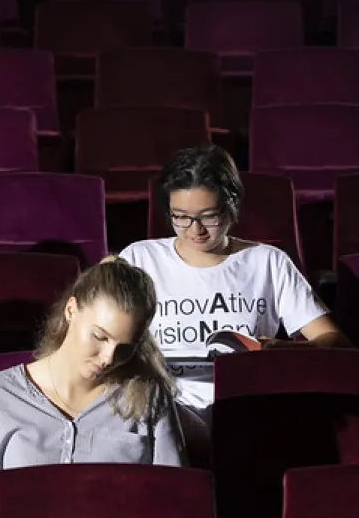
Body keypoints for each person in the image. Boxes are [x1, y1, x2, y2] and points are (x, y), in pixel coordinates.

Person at [0, 258, 186, 518]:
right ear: (71, 310)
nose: (108, 357)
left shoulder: (147, 397)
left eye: (125, 348)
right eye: (100, 336)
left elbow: (176, 504)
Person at [119, 145, 349, 421]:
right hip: (162, 403)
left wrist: (284, 350)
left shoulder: (267, 262)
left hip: (245, 403)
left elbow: (334, 341)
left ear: (231, 206)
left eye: (208, 216)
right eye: (180, 217)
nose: (195, 229)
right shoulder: (140, 258)